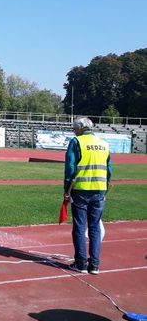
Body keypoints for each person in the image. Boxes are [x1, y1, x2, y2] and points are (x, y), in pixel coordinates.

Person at [64, 116, 112, 275]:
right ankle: (95, 265)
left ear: (80, 128)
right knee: (95, 227)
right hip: (99, 190)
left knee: (79, 226)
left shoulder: (76, 142)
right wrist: (105, 188)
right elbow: (109, 169)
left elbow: (70, 168)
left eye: (74, 128)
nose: (73, 130)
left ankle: (81, 263)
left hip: (81, 190)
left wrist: (66, 190)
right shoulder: (103, 144)